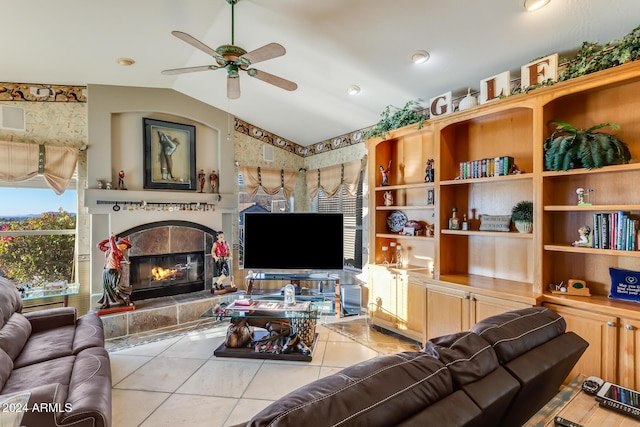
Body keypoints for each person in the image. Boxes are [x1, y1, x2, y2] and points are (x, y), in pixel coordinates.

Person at [97, 233, 133, 309]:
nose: (125, 248)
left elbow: (114, 249)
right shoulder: (109, 250)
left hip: (114, 271)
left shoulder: (119, 253)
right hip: (106, 271)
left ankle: (126, 299)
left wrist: (111, 238)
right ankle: (106, 303)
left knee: (116, 287)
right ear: (121, 244)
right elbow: (99, 245)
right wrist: (109, 239)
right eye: (125, 245)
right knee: (106, 288)